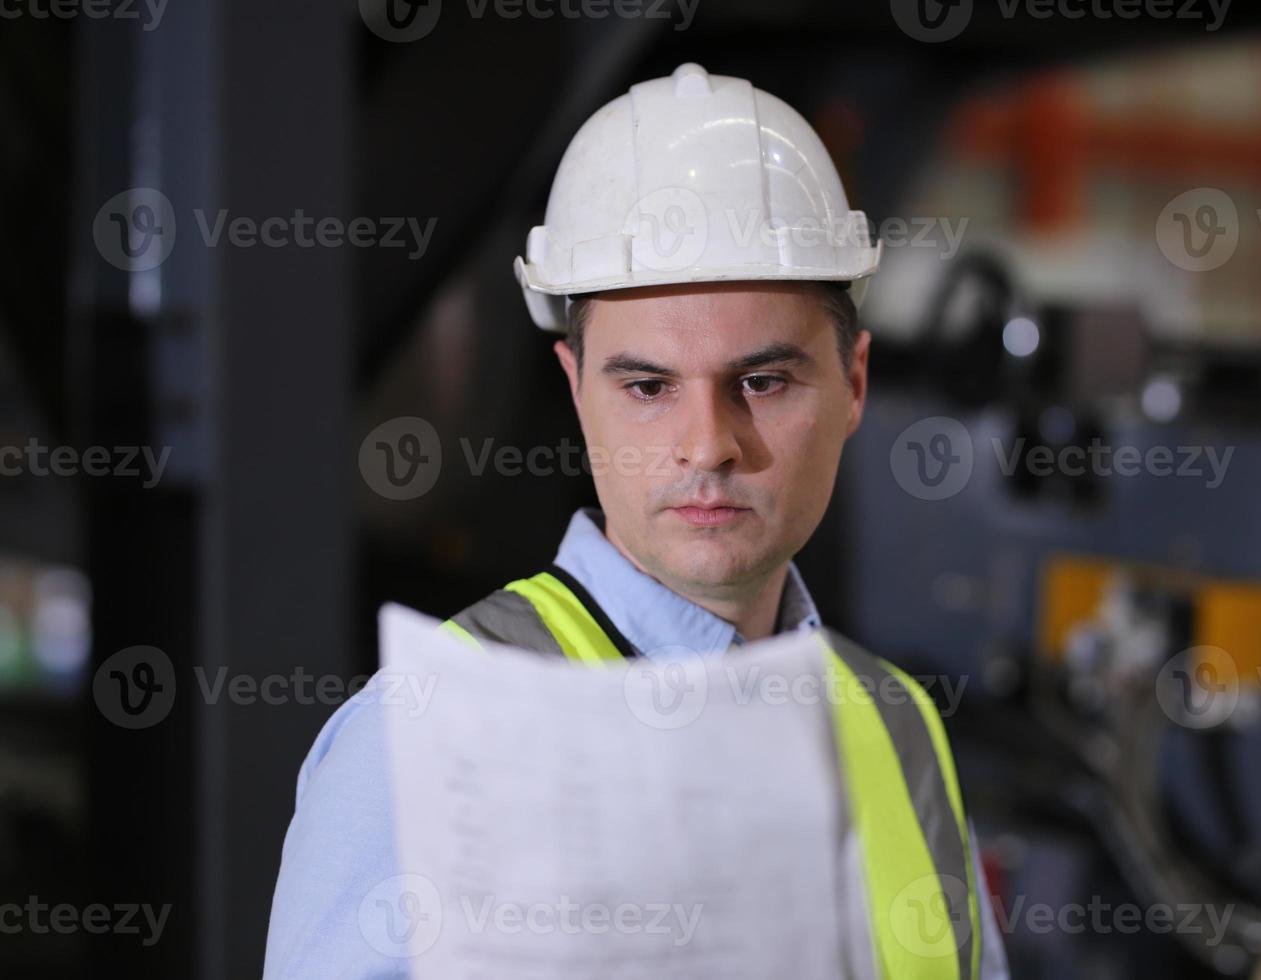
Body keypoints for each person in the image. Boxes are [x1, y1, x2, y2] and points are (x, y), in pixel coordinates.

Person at [265, 62, 1009, 979]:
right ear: (577, 391)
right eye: (649, 387)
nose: (708, 445)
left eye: (763, 381)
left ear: (854, 384)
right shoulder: (425, 734)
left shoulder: (901, 729)